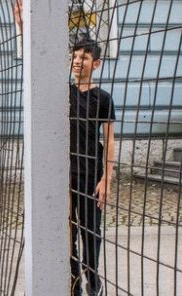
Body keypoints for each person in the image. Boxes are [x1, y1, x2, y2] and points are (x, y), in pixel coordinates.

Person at [68, 40, 116, 296]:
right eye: (75, 56)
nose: (77, 61)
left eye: (84, 58)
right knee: (68, 229)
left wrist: (107, 179)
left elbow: (109, 140)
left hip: (91, 173)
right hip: (65, 174)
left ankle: (92, 275)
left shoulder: (103, 98)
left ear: (95, 64)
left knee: (90, 230)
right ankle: (73, 279)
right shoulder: (64, 92)